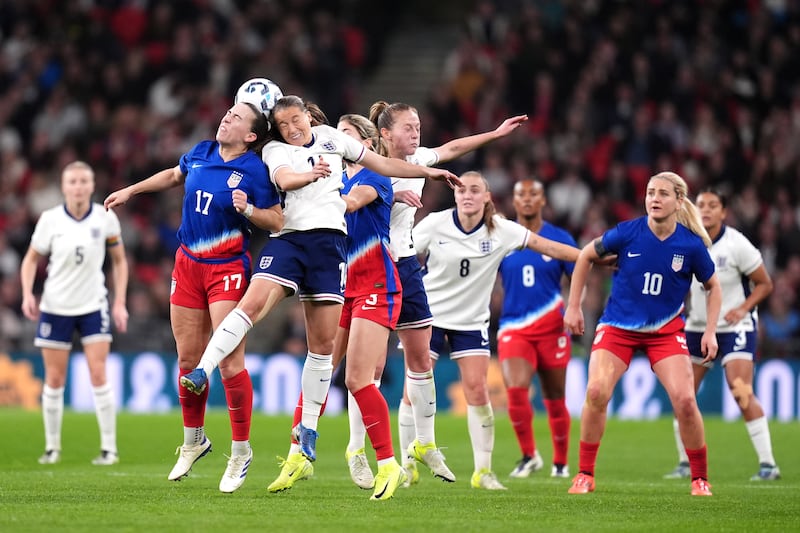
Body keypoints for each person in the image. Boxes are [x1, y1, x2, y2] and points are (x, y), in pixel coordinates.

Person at [177, 96, 460, 493]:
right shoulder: (277, 150)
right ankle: (204, 369)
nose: (293, 129)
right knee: (253, 305)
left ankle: (321, 436)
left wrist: (427, 174)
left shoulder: (342, 151)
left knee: (330, 354)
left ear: (310, 119)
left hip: (338, 257)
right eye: (285, 123)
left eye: (297, 121)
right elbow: (284, 180)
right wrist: (311, 177)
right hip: (290, 242)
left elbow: (383, 169)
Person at [104, 100, 282, 493]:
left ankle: (240, 451)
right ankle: (194, 440)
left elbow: (278, 219)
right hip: (187, 265)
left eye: (236, 117)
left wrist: (250, 209)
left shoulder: (255, 169)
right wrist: (131, 190)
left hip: (227, 268)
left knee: (230, 361)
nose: (227, 117)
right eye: (228, 112)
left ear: (251, 135)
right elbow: (172, 174)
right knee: (188, 358)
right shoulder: (201, 151)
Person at [367, 100, 529, 485]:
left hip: (403, 266)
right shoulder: (367, 161)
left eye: (419, 125)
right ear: (386, 134)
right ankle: (363, 452)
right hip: (369, 265)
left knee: (420, 366)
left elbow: (454, 148)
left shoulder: (420, 158)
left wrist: (495, 133)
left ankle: (423, 451)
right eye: (409, 127)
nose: (417, 132)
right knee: (368, 371)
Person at [412, 171, 580, 490]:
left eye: (475, 190)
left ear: (487, 196)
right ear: (455, 195)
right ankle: (408, 465)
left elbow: (552, 248)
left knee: (478, 392)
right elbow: (401, 254)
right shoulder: (435, 223)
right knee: (414, 392)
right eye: (461, 190)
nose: (467, 195)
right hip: (429, 316)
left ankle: (483, 472)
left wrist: (593, 256)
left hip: (472, 322)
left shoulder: (502, 230)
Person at [563, 171, 722, 497]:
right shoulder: (627, 232)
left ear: (679, 201)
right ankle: (584, 474)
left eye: (663, 194)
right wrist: (574, 307)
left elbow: (713, 287)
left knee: (686, 401)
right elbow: (585, 256)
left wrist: (710, 331)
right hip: (618, 327)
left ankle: (699, 479)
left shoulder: (690, 246)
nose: (654, 199)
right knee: (596, 392)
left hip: (665, 332)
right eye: (651, 193)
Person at [664, 188, 779, 481]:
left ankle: (768, 464)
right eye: (701, 204)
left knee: (740, 390)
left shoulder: (736, 244)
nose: (706, 209)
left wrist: (743, 309)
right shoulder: (685, 242)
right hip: (697, 325)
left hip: (734, 327)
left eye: (713, 205)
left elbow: (765, 284)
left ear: (723, 212)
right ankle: (685, 463)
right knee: (683, 396)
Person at [21, 160, 129, 466]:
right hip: (55, 307)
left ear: (93, 186)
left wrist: (119, 302)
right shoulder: (50, 220)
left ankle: (109, 448)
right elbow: (30, 260)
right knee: (54, 379)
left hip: (93, 304)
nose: (79, 186)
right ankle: (52, 447)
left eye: (84, 181)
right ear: (63, 186)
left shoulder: (105, 217)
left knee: (98, 374)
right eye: (73, 181)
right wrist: (28, 293)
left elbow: (120, 261)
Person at [334, 113, 407, 499]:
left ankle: (387, 462)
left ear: (362, 141)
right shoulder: (341, 178)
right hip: (348, 287)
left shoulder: (371, 177)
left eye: (344, 135)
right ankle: (300, 452)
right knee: (324, 369)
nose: (337, 141)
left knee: (359, 378)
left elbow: (348, 205)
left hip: (377, 285)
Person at [497, 178, 576, 479]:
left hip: (552, 327)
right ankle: (529, 455)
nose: (527, 200)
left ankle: (560, 462)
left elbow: (578, 270)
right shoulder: (503, 237)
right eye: (521, 195)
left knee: (555, 397)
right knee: (516, 391)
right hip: (514, 327)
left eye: (534, 195)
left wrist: (575, 305)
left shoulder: (560, 238)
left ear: (543, 200)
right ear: (514, 202)